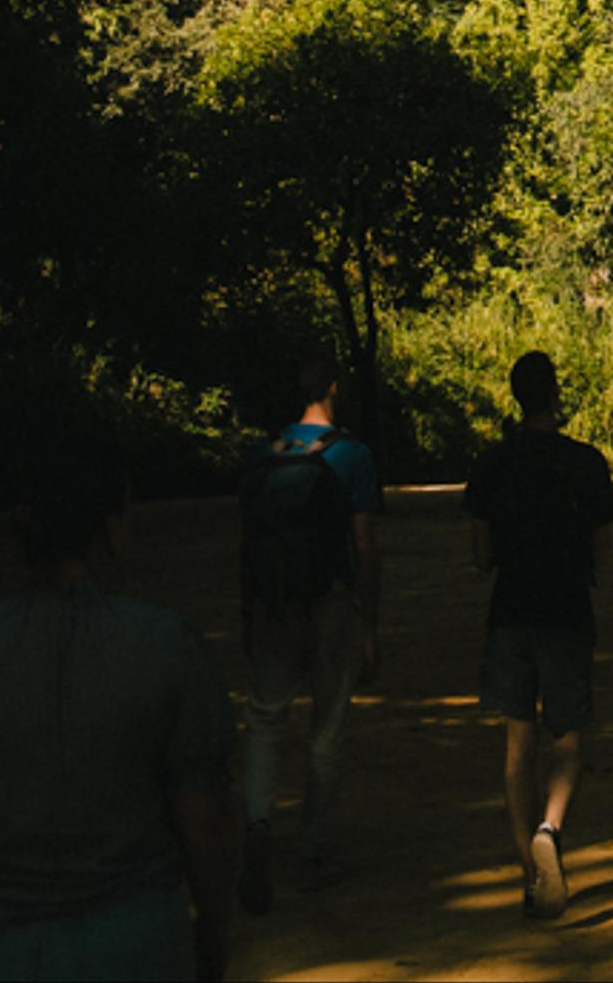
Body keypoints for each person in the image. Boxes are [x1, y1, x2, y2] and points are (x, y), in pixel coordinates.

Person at [0, 437, 233, 983]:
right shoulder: (169, 647)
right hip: (131, 944)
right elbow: (207, 818)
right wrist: (213, 942)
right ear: (111, 524)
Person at [463, 350, 613, 922]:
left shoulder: (493, 464)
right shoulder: (587, 463)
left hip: (510, 612)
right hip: (568, 611)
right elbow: (602, 551)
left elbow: (481, 556)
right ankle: (551, 828)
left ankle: (529, 876)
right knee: (569, 737)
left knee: (516, 744)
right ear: (555, 393)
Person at [238, 350, 382, 911]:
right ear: (334, 389)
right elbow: (365, 545)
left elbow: (247, 544)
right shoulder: (352, 456)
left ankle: (256, 825)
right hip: (330, 602)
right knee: (327, 726)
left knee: (266, 718)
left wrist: (248, 611)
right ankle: (313, 848)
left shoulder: (261, 457)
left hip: (273, 601)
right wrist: (369, 622)